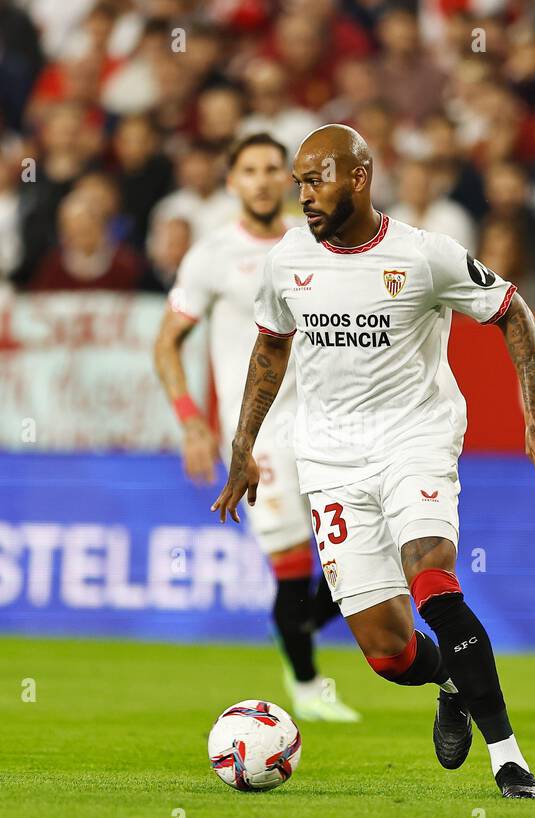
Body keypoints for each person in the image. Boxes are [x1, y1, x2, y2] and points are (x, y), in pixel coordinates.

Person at [212, 125, 535, 798]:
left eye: (317, 181)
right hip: (329, 459)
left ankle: (509, 759)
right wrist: (243, 445)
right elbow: (270, 351)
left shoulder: (425, 256)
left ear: (360, 177)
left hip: (415, 439)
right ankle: (451, 681)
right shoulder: (288, 260)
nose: (304, 196)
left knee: (430, 572)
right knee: (387, 652)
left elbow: (510, 312)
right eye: (299, 184)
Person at [154, 133, 360, 723]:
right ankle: (307, 685)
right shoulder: (212, 254)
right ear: (232, 183)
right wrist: (192, 423)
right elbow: (166, 342)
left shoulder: (323, 246)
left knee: (363, 557)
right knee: (293, 563)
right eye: (250, 170)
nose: (265, 180)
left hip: (333, 421)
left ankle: (292, 634)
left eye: (276, 168)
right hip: (260, 432)